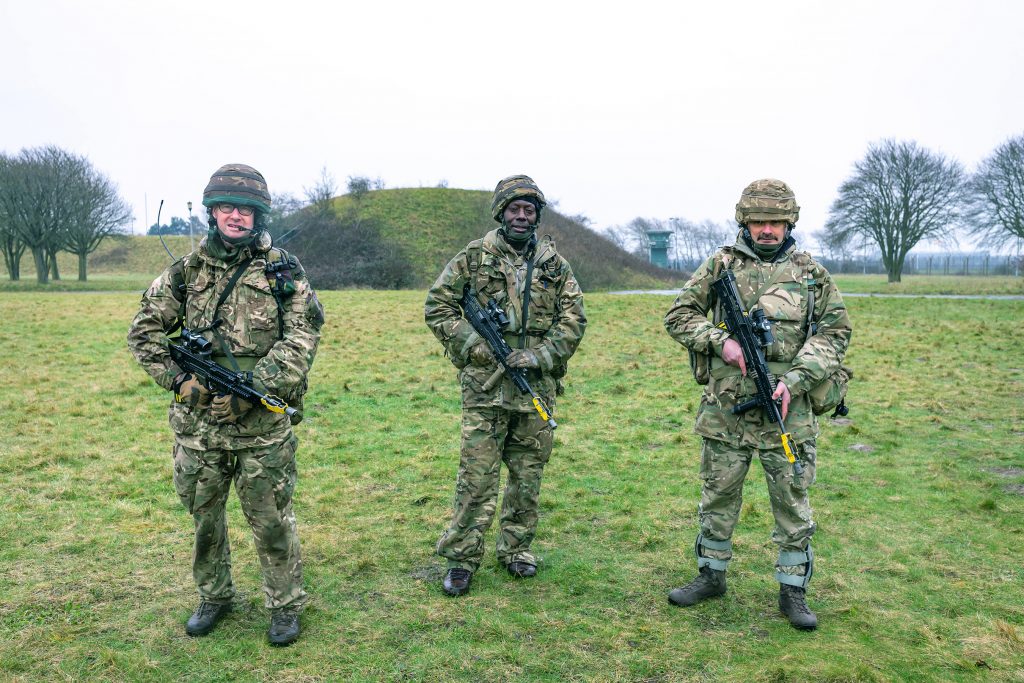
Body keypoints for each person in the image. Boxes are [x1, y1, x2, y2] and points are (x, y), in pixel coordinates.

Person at [128, 163, 324, 645]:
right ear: (213, 212)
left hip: (262, 425)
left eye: (246, 209)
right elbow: (145, 333)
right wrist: (180, 382)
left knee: (272, 519)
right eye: (227, 207)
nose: (236, 216)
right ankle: (213, 596)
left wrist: (251, 388)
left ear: (259, 215)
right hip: (198, 430)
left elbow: (303, 336)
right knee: (205, 520)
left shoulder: (283, 270)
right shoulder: (185, 272)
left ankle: (284, 605)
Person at [663, 178, 851, 630]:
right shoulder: (720, 265)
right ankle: (710, 575)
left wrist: (796, 378)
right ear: (744, 221)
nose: (767, 229)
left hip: (789, 409)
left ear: (790, 223)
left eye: (776, 222)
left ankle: (793, 591)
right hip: (726, 408)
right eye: (759, 221)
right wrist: (720, 342)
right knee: (718, 495)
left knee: (792, 501)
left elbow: (835, 333)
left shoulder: (811, 274)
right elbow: (678, 315)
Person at [424, 175, 587, 596]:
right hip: (485, 388)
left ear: (536, 216)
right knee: (476, 477)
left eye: (528, 210)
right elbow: (438, 305)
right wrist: (477, 347)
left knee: (527, 476)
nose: (520, 216)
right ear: (501, 213)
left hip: (535, 388)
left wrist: (541, 356)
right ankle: (462, 558)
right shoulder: (474, 258)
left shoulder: (555, 265)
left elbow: (574, 321)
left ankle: (516, 550)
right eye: (513, 209)